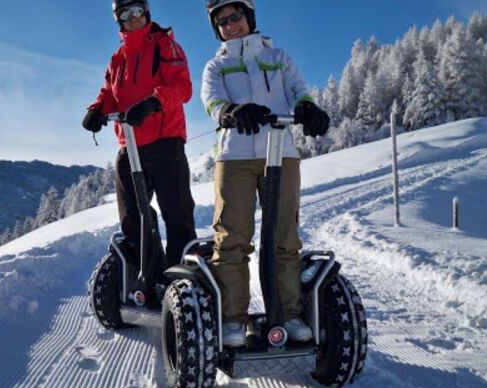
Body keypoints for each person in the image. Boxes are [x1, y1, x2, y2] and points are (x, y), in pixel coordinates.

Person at [201, 0, 330, 347]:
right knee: (231, 238)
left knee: (284, 237)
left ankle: (288, 313)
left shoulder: (279, 59)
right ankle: (232, 320)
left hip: (281, 153)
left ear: (250, 17)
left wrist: (307, 107)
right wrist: (231, 111)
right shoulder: (217, 66)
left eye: (236, 16)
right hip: (235, 156)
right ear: (218, 28)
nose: (231, 25)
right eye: (222, 21)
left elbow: (299, 90)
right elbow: (211, 101)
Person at [82, 0, 197, 275]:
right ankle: (148, 275)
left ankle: (182, 276)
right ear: (118, 20)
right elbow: (109, 93)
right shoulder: (117, 58)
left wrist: (153, 103)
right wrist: (97, 110)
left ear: (146, 13)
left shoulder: (164, 45)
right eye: (125, 14)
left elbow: (182, 86)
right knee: (133, 218)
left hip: (165, 141)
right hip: (130, 146)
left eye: (137, 11)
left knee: (177, 211)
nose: (132, 18)